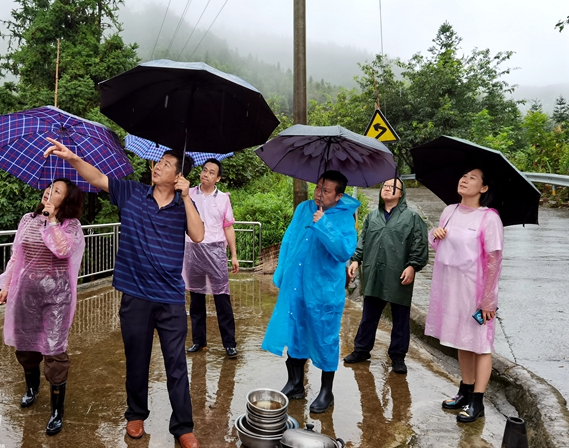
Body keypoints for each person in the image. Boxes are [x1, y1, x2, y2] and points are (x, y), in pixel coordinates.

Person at [43, 138, 204, 448]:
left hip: (170, 298)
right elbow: (97, 178)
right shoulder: (131, 193)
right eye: (159, 162)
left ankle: (183, 427)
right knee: (137, 360)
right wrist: (73, 157)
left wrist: (187, 197)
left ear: (179, 177)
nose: (158, 167)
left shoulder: (183, 205)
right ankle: (135, 414)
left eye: (167, 165)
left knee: (176, 365)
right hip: (135, 296)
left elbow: (198, 235)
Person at [262, 170, 359, 413]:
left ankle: (326, 391)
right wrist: (282, 272)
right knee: (296, 330)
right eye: (318, 187)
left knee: (325, 337)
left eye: (326, 191)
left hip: (324, 290)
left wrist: (324, 223)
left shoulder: (344, 217)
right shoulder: (304, 209)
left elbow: (343, 252)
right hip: (297, 284)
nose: (319, 194)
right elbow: (289, 239)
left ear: (338, 196)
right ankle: (295, 383)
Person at [0, 178, 85, 436]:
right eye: (49, 188)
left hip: (56, 296)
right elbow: (16, 255)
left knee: (54, 350)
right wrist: (7, 285)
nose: (49, 192)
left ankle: (57, 410)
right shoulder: (28, 219)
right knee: (25, 346)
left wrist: (52, 220)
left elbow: (63, 250)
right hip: (25, 293)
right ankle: (31, 388)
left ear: (66, 200)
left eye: (57, 191)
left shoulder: (71, 226)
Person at [425, 168, 503, 423]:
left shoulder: (489, 218)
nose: (464, 180)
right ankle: (465, 391)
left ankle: (477, 402)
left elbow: (494, 260)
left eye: (472, 178)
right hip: (451, 288)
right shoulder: (450, 211)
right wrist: (435, 234)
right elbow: (440, 244)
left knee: (480, 345)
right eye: (463, 176)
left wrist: (488, 300)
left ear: (483, 188)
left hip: (475, 291)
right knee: (462, 340)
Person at [344, 178, 429, 374]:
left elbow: (419, 244)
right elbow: (363, 240)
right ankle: (361, 350)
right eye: (385, 186)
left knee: (400, 317)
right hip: (374, 272)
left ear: (401, 193)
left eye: (393, 187)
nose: (388, 189)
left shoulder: (412, 218)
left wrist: (412, 266)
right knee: (369, 315)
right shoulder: (372, 216)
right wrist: (356, 260)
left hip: (399, 273)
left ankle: (398, 356)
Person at [183, 159, 240, 358]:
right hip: (193, 250)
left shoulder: (223, 199)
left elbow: (228, 227)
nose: (206, 174)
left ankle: (229, 344)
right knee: (196, 300)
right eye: (204, 170)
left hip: (216, 252)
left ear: (218, 178)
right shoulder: (188, 194)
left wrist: (234, 255)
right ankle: (199, 341)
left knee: (222, 299)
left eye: (211, 172)